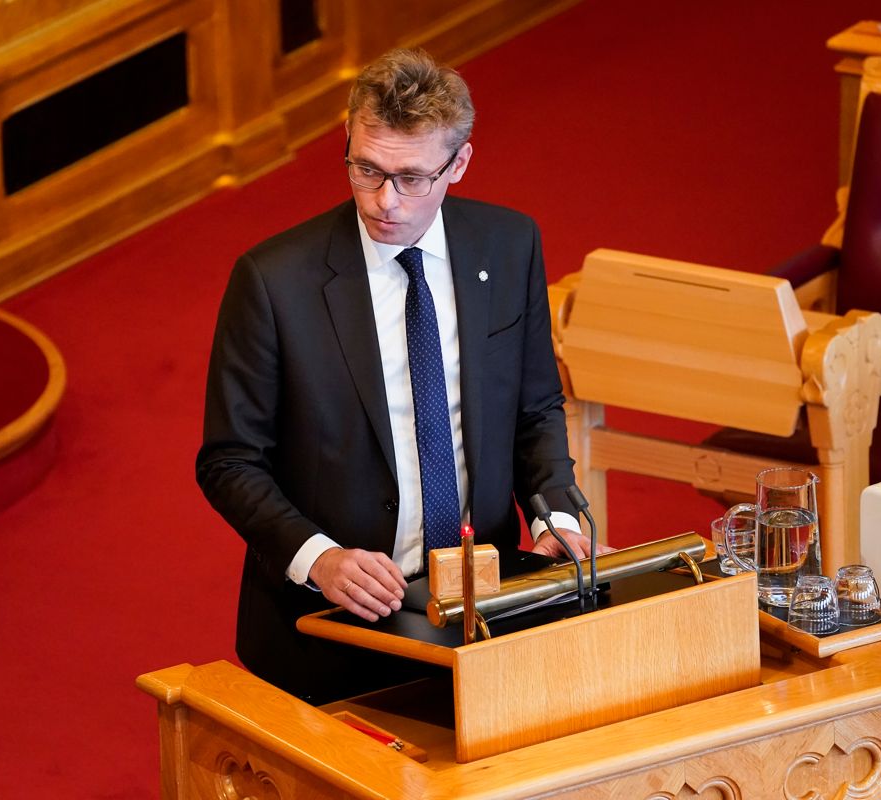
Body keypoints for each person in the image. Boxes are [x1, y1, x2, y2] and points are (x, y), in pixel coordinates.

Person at [195, 48, 591, 703]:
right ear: (346, 143)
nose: (384, 201)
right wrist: (317, 557)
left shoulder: (509, 244)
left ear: (458, 163)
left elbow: (535, 409)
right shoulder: (273, 281)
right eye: (366, 169)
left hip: (482, 611)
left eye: (411, 178)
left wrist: (554, 516)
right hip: (327, 630)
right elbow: (230, 460)